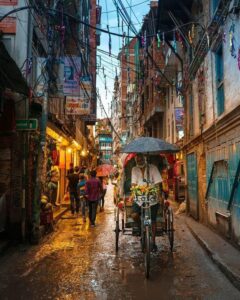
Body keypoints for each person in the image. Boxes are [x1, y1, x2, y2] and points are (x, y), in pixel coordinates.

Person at [131, 153, 162, 252]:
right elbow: (133, 183)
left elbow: (157, 183)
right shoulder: (134, 169)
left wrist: (159, 194)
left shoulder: (153, 168)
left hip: (152, 197)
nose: (139, 161)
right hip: (139, 197)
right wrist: (133, 193)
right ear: (136, 161)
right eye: (138, 160)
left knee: (153, 220)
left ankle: (153, 242)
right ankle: (141, 229)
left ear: (145, 159)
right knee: (135, 215)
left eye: (141, 159)